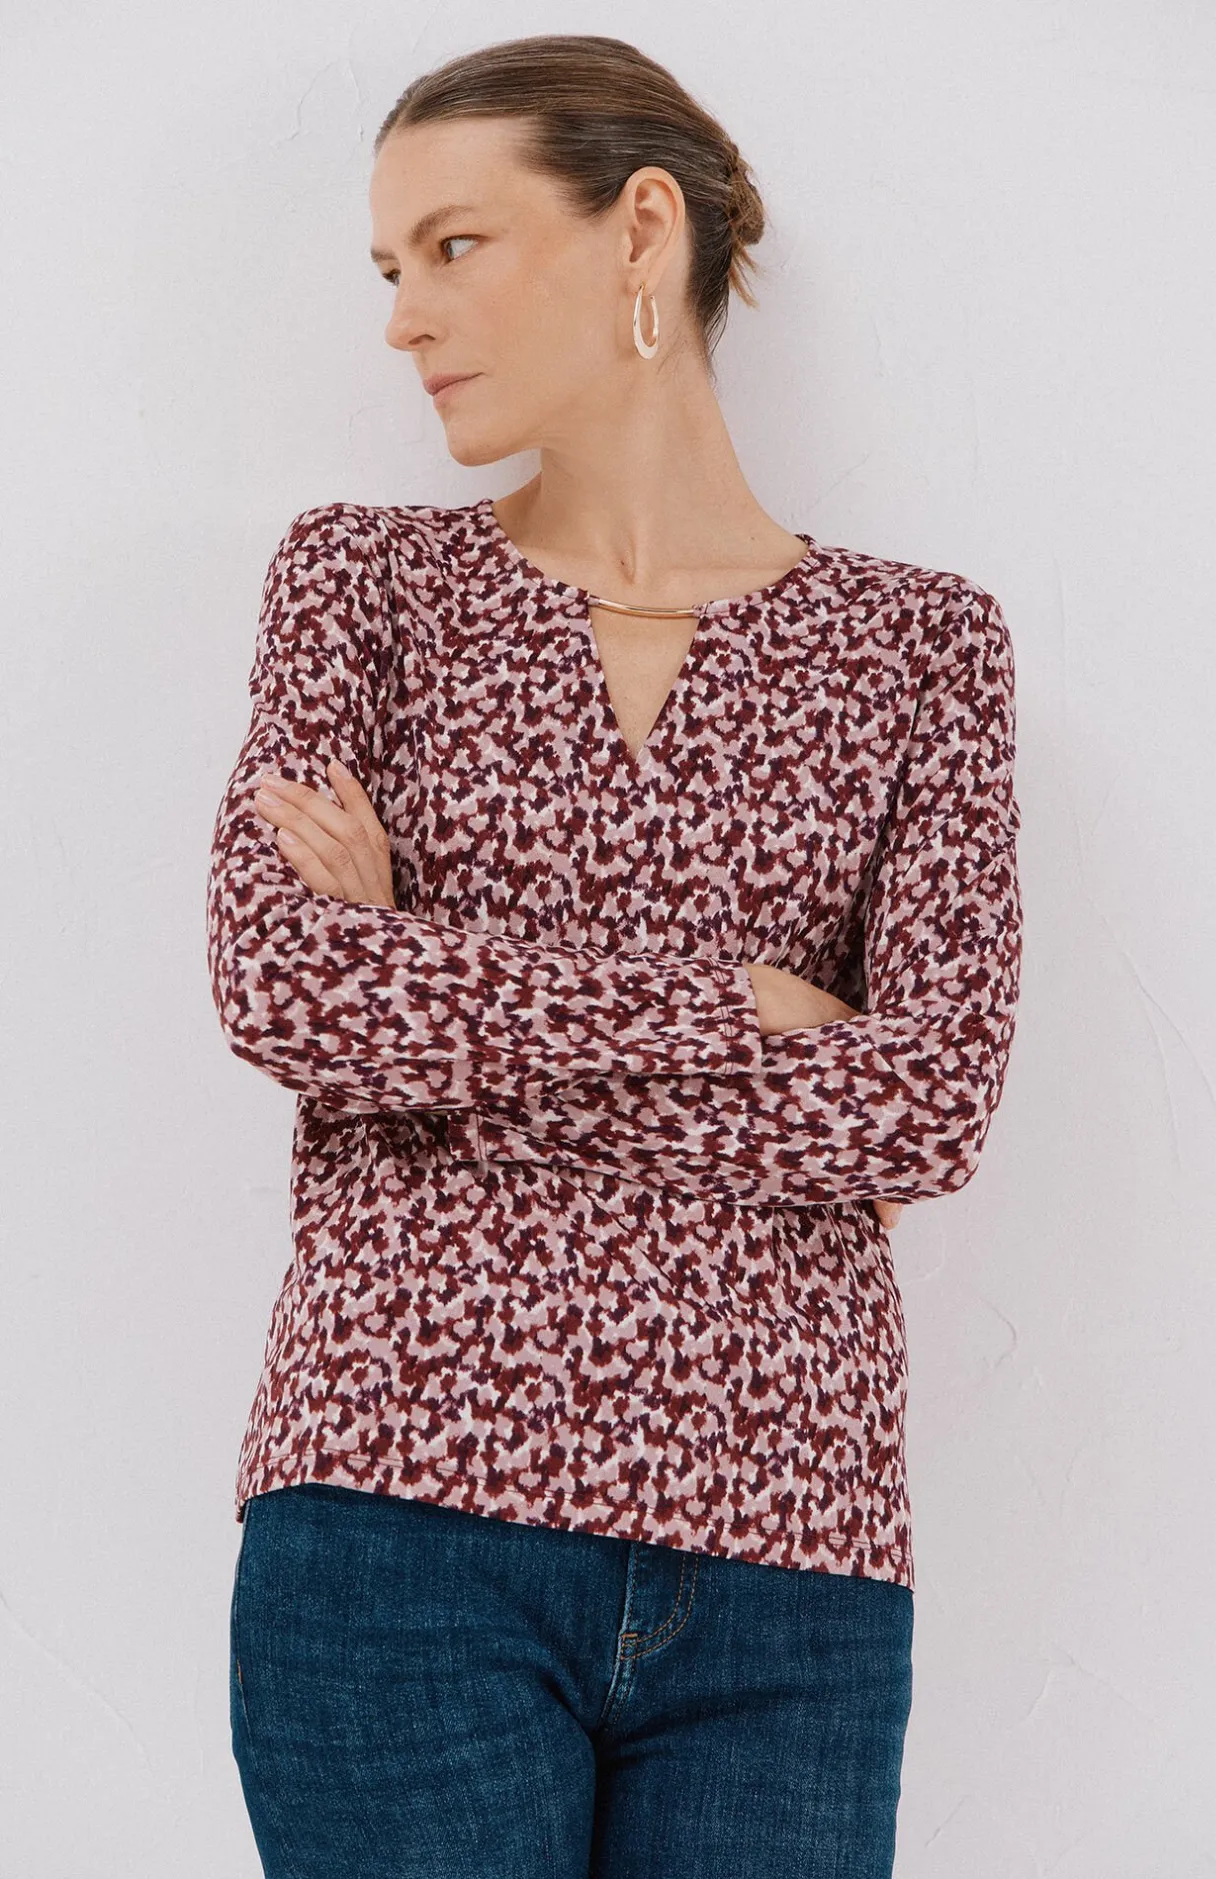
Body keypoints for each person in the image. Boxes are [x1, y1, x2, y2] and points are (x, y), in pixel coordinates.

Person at [207, 31, 1023, 1879]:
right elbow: (286, 986)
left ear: (641, 227)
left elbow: (926, 1106)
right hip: (398, 1514)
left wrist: (439, 986)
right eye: (390, 266)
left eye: (455, 245)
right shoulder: (363, 585)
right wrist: (739, 1008)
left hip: (792, 1556)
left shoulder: (921, 650)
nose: (404, 318)